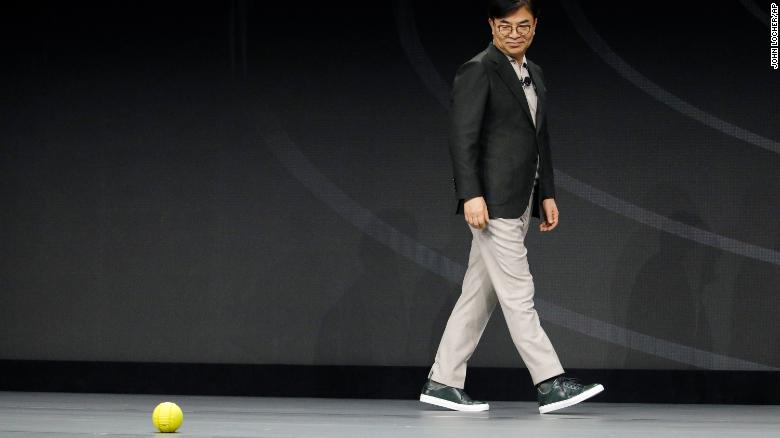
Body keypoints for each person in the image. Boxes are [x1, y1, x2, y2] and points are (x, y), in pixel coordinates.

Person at [419, 0, 604, 414]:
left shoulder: (533, 73)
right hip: (492, 202)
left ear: (535, 26)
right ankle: (550, 381)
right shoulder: (479, 69)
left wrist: (547, 193)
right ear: (491, 25)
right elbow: (461, 137)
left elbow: (540, 139)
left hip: (520, 198)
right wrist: (470, 194)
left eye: (523, 25)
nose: (514, 33)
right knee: (519, 292)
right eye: (505, 26)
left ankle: (443, 380)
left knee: (479, 295)